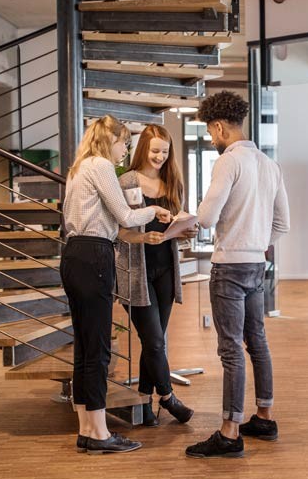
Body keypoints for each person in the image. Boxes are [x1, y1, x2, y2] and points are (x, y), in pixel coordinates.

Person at [186, 91, 290, 459]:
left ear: (218, 126)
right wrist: (258, 243)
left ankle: (229, 433)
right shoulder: (268, 164)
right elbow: (283, 223)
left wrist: (192, 224)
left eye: (210, 133)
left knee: (230, 349)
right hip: (256, 265)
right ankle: (264, 416)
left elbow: (207, 217)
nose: (211, 140)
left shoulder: (229, 162)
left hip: (229, 266)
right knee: (256, 341)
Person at [61, 115, 171, 454]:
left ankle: (87, 426)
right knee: (98, 348)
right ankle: (99, 435)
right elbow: (125, 217)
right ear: (112, 140)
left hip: (74, 254)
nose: (126, 150)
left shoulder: (79, 167)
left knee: (84, 345)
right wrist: (156, 212)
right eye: (124, 142)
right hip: (95, 254)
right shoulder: (102, 166)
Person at [116, 125, 196, 426]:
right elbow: (117, 229)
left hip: (165, 268)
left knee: (155, 341)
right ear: (142, 150)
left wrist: (187, 229)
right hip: (135, 270)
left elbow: (177, 225)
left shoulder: (172, 181)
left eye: (165, 151)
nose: (160, 157)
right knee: (154, 339)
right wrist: (140, 237)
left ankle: (145, 403)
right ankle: (168, 397)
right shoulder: (126, 181)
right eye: (154, 151)